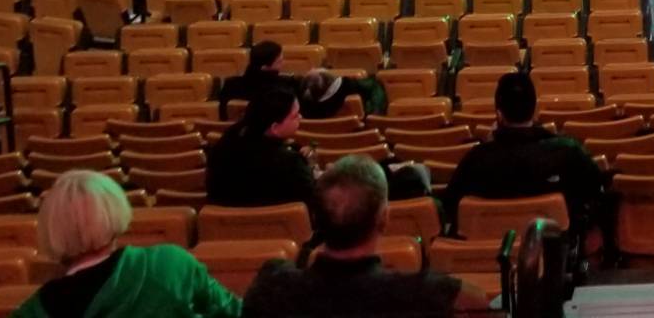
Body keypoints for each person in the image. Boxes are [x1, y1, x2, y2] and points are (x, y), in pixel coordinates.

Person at [244, 154, 479, 315]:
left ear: (315, 219)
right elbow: (478, 302)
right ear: (384, 219)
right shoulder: (426, 295)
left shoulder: (271, 288)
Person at [13, 168, 241, 318]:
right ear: (114, 211)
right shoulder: (170, 264)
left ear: (51, 229)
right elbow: (237, 313)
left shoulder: (34, 311)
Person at [441, 71, 608, 238]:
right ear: (534, 110)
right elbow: (597, 191)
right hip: (552, 256)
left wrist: (489, 145)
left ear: (499, 115)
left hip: (488, 255)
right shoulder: (567, 152)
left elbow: (450, 206)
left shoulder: (476, 159)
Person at [206, 82, 318, 210]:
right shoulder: (292, 164)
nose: (300, 117)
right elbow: (311, 203)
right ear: (275, 128)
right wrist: (309, 167)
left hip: (225, 227)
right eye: (295, 115)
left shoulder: (222, 148)